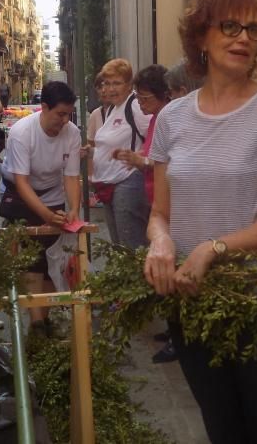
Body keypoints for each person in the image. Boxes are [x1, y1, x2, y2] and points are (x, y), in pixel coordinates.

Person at [145, 0, 257, 443]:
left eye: (254, 30)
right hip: (195, 299)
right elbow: (160, 212)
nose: (244, 38)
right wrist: (161, 241)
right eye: (231, 26)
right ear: (201, 37)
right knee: (222, 428)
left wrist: (213, 248)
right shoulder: (172, 119)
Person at [0, 81, 81, 331]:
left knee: (51, 261)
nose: (65, 120)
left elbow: (71, 176)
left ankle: (45, 318)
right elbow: (22, 182)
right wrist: (45, 214)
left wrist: (73, 210)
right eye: (60, 114)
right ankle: (36, 324)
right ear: (44, 108)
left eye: (69, 114)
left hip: (52, 193)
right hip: (21, 195)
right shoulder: (22, 133)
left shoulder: (73, 133)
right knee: (32, 261)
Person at [112, 64, 175, 363]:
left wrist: (141, 161)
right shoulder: (154, 120)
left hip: (171, 206)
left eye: (146, 97)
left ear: (165, 96)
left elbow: (168, 162)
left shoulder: (169, 118)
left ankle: (179, 336)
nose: (140, 103)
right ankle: (175, 329)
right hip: (157, 202)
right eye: (138, 97)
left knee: (173, 267)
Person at [91, 58, 151, 248]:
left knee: (130, 247)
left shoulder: (134, 106)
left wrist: (140, 156)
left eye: (116, 83)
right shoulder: (112, 109)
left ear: (128, 85)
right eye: (107, 83)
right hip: (110, 184)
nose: (110, 89)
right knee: (119, 247)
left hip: (129, 181)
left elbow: (156, 135)